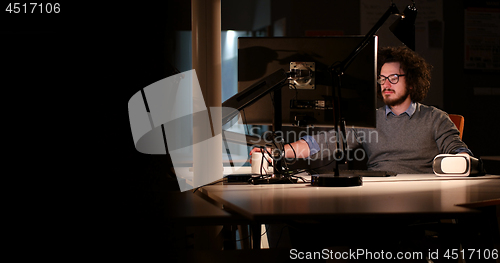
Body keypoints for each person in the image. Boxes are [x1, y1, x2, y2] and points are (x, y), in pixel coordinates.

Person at [250, 46, 471, 174]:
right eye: (382, 78)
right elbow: (323, 142)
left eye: (394, 78)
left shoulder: (435, 118)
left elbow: (457, 149)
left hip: (423, 196)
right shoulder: (368, 119)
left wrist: (463, 159)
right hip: (378, 195)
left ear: (412, 82)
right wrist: (277, 151)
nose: (386, 84)